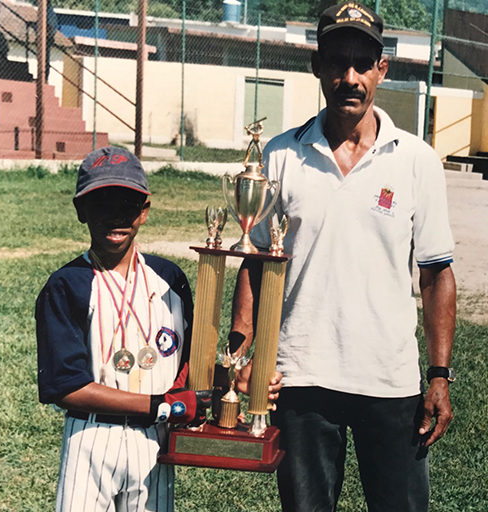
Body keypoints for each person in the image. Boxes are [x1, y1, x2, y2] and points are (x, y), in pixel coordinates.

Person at [229, 3, 456, 511]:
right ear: (317, 66)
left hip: (390, 380)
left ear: (383, 69)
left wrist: (438, 376)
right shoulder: (282, 155)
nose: (348, 78)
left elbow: (437, 273)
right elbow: (256, 261)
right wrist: (242, 357)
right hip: (302, 375)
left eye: (361, 63)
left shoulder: (416, 159)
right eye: (336, 62)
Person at [36, 146, 214, 512]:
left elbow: (191, 362)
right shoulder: (67, 284)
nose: (116, 216)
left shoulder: (169, 279)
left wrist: (230, 383)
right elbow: (66, 387)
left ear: (145, 210)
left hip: (153, 441)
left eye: (128, 205)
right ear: (81, 211)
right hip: (91, 436)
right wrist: (162, 406)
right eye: (101, 204)